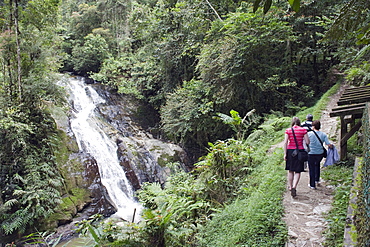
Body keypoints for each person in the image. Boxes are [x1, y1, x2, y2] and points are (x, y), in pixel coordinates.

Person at [284, 117, 310, 197]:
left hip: (290, 151)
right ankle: (295, 186)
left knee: (291, 170)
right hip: (300, 151)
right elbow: (307, 141)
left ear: (292, 122)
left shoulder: (288, 130)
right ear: (299, 122)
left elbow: (285, 142)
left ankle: (291, 186)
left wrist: (285, 154)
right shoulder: (303, 130)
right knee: (298, 171)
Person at [307, 120, 333, 189]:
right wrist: (331, 146)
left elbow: (306, 142)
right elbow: (328, 144)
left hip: (311, 153)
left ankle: (312, 184)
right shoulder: (323, 134)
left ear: (313, 126)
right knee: (317, 165)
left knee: (311, 168)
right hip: (320, 153)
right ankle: (317, 180)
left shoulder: (309, 134)